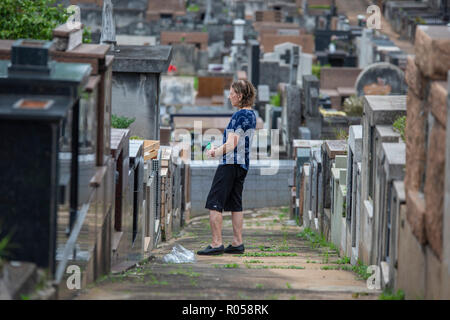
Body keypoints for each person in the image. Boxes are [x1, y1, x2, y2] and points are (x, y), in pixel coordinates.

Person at [197, 79, 257, 255]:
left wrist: (214, 152)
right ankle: (237, 242)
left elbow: (232, 144)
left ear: (239, 95)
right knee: (235, 203)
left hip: (229, 164)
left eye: (231, 93)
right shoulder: (251, 115)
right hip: (242, 165)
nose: (229, 97)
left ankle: (216, 243)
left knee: (214, 203)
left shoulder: (239, 116)